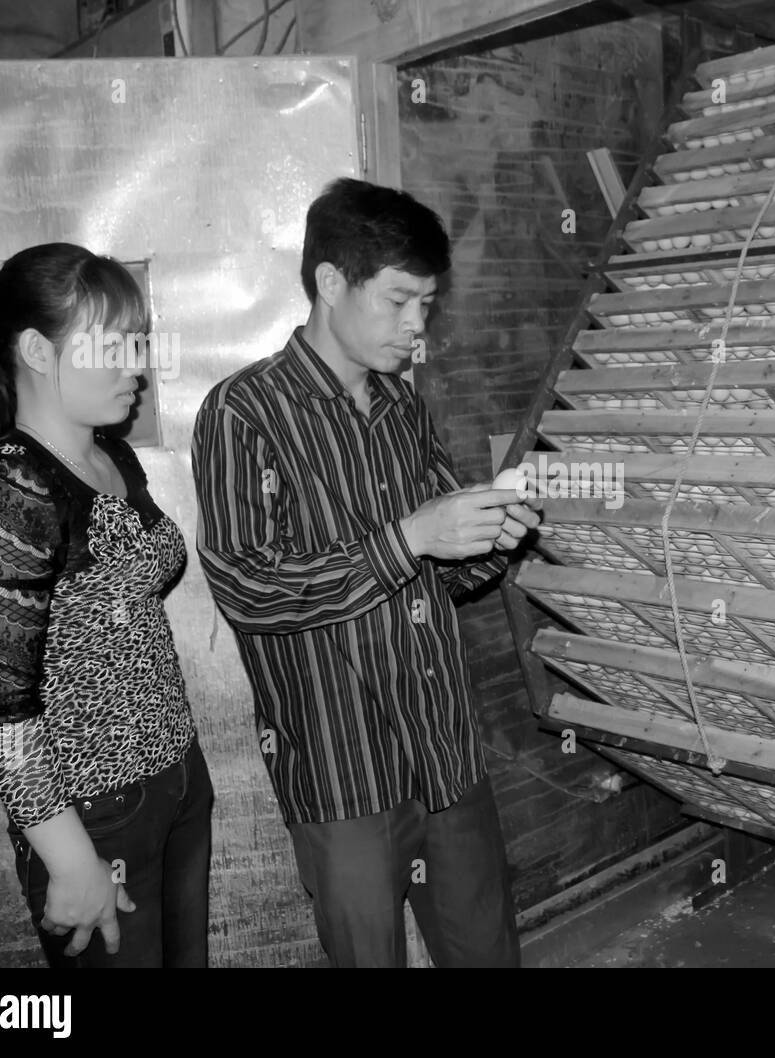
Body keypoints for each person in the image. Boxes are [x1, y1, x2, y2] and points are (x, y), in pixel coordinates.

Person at [192, 178, 539, 968]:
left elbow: (440, 575)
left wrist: (491, 534)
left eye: (428, 304)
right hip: (344, 772)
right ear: (329, 283)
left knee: (488, 954)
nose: (418, 325)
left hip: (445, 755)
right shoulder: (242, 412)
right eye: (400, 301)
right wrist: (411, 537)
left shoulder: (402, 407)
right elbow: (249, 588)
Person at [0, 244, 212, 968]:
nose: (139, 366)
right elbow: (1, 710)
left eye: (140, 342)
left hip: (175, 779)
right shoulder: (10, 487)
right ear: (36, 349)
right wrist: (68, 859)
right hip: (95, 815)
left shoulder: (110, 457)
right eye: (117, 343)